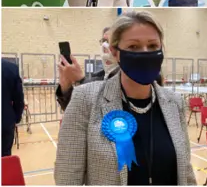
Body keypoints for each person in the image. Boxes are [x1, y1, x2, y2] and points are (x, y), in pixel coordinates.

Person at [54, 11, 196, 185]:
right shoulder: (85, 99)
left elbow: (186, 173)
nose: (144, 53)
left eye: (152, 46)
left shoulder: (175, 102)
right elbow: (68, 178)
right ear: (115, 52)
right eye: (133, 47)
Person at [56, 26, 163, 111]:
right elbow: (76, 112)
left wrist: (81, 80)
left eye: (111, 41)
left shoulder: (144, 76)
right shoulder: (96, 77)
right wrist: (66, 87)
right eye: (104, 40)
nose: (105, 46)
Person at [1, 59, 24, 157]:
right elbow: (18, 98)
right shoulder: (10, 68)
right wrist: (17, 117)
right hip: (5, 122)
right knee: (5, 158)